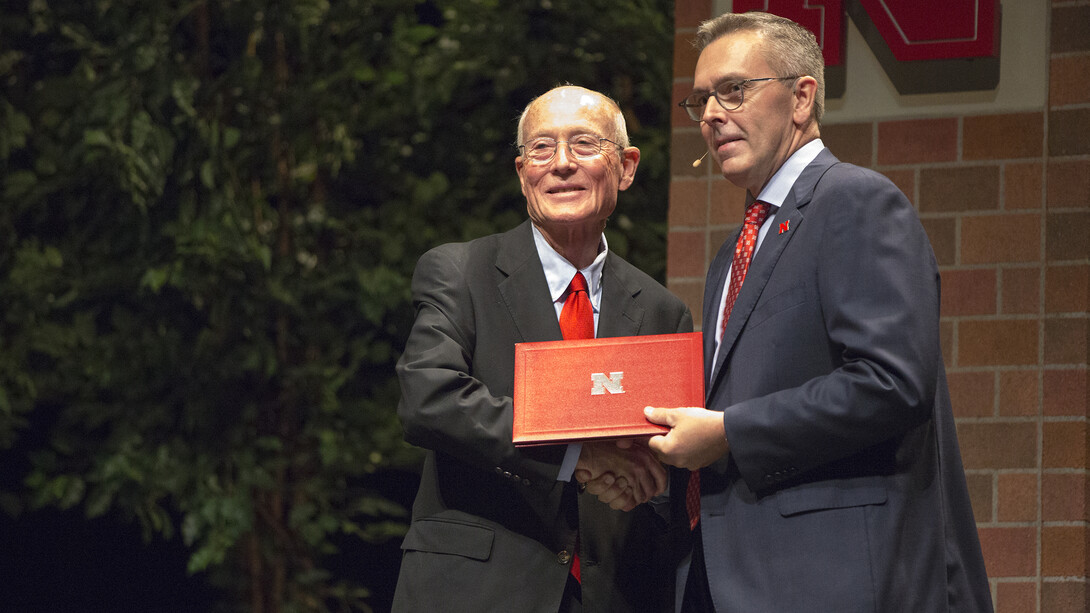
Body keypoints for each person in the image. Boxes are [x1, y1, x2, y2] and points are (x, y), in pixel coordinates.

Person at [642, 11, 993, 612]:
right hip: (733, 576)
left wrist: (729, 433)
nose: (711, 115)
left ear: (801, 97)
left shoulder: (855, 201)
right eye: (701, 100)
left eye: (733, 90)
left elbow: (891, 383)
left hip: (840, 579)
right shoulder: (732, 254)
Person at [393, 85, 692, 612]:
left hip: (614, 593)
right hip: (476, 591)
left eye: (583, 144)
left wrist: (650, 481)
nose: (560, 164)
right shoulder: (460, 273)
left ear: (626, 167)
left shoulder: (662, 312)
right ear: (521, 173)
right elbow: (429, 400)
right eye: (541, 149)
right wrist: (574, 456)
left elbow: (666, 471)